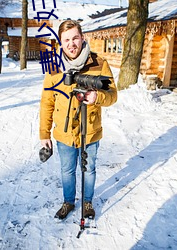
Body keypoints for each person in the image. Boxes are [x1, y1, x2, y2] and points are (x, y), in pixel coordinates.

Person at [39, 20, 117, 220]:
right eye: (66, 40)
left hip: (90, 130)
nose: (71, 43)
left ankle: (88, 202)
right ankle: (68, 202)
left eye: (75, 38)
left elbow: (113, 95)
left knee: (89, 168)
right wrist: (44, 134)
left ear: (82, 38)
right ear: (60, 42)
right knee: (67, 170)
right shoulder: (54, 67)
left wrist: (97, 97)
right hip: (64, 133)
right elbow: (47, 102)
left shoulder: (99, 63)